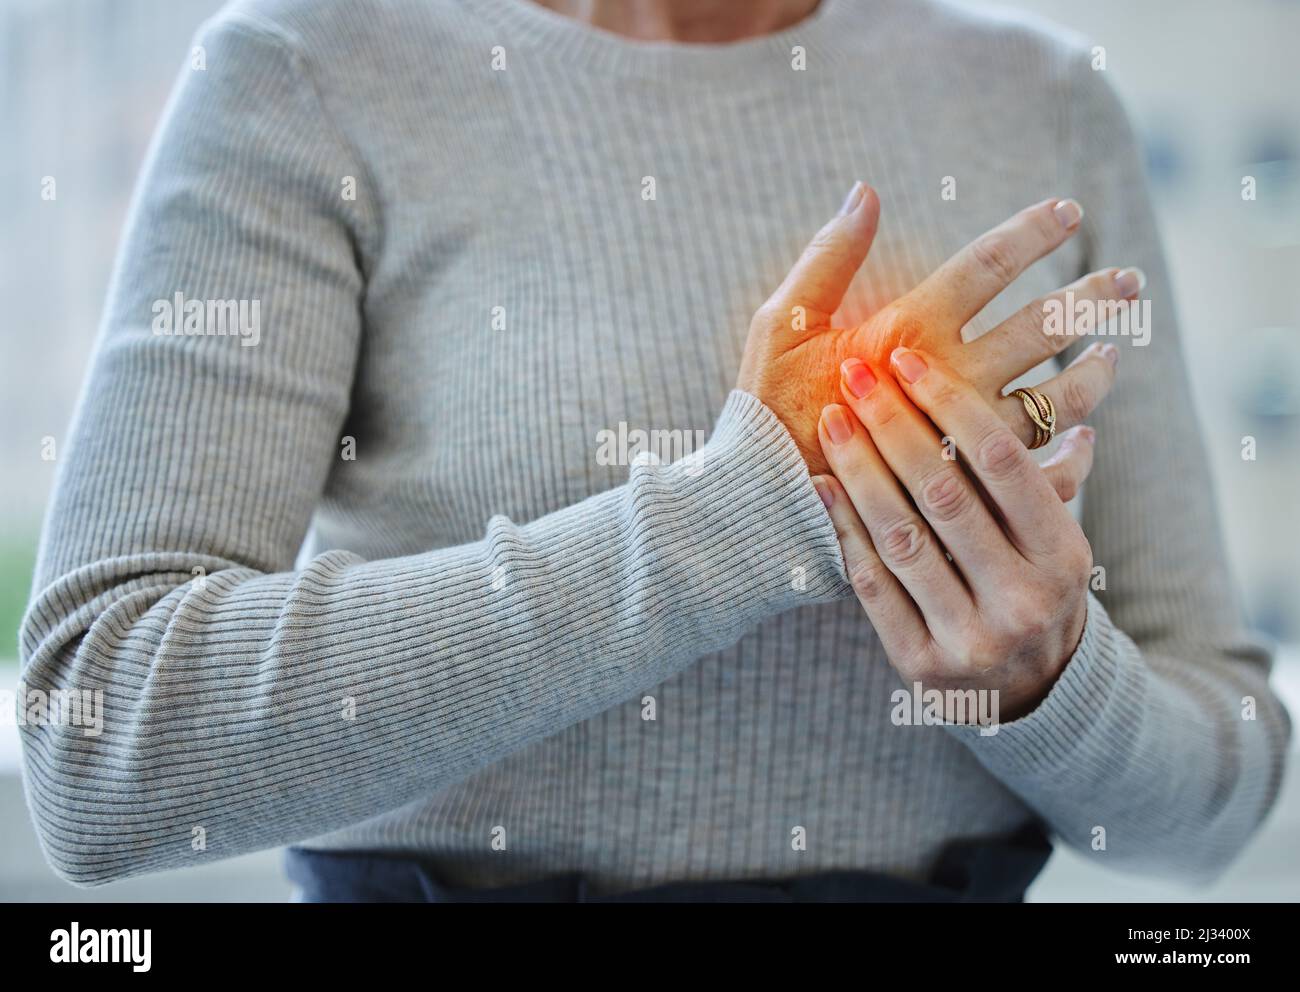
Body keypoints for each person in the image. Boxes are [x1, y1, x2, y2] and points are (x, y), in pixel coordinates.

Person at [20, 0, 1288, 900]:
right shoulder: (303, 72)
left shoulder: (1040, 98)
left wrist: (1044, 681)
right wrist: (740, 515)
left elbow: (1211, 807)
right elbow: (103, 750)